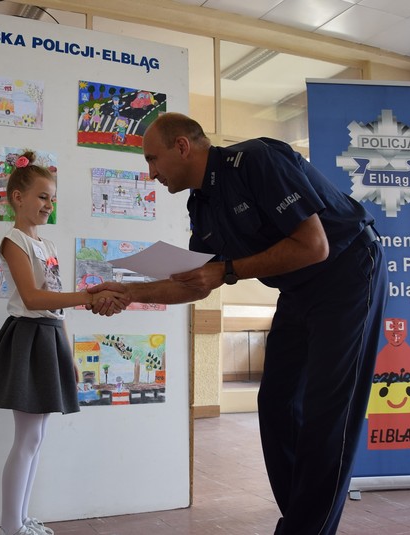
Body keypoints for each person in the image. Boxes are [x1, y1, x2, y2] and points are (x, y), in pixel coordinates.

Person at [89, 112, 388, 534]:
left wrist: (227, 269)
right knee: (278, 404)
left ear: (182, 146)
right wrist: (129, 292)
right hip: (300, 290)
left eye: (153, 159)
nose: (150, 173)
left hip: (349, 270)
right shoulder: (202, 205)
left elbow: (314, 245)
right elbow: (196, 284)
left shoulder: (256, 160)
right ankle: (302, 522)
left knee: (328, 414)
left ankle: (305, 530)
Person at [0, 151, 124, 535]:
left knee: (35, 437)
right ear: (17, 197)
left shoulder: (48, 245)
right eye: (41, 197)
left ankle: (20, 521)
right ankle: (9, 527)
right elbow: (35, 299)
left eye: (51, 198)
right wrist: (86, 296)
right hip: (28, 336)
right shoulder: (13, 240)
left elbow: (56, 306)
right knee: (27, 438)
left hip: (50, 338)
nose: (48, 205)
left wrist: (67, 350)